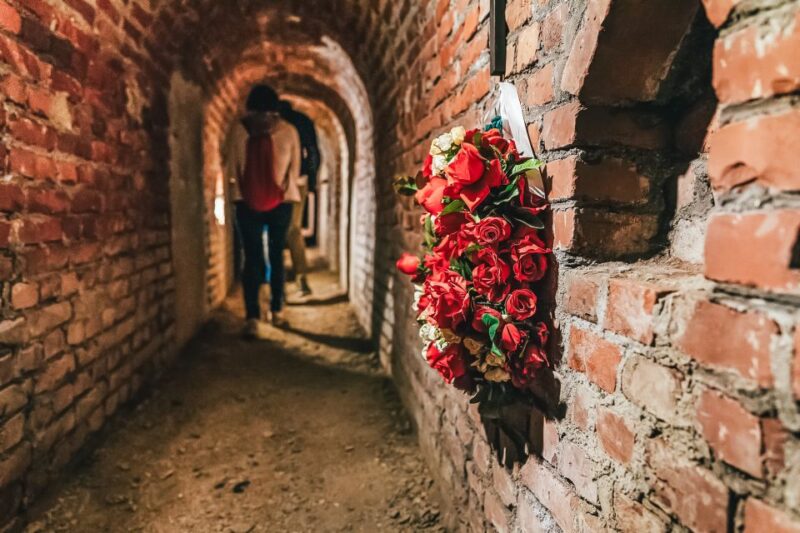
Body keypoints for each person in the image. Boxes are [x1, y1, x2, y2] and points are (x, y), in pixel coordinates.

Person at [224, 85, 301, 337]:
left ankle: (253, 317)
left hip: (246, 201)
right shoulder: (288, 131)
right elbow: (295, 169)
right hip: (281, 201)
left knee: (252, 257)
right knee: (275, 256)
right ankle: (276, 310)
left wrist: (240, 194)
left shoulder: (239, 130)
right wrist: (283, 188)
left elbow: (232, 168)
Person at [277, 100, 320, 298]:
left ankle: (281, 281)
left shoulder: (276, 123)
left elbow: (313, 153)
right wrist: (311, 180)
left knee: (281, 230)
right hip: (299, 181)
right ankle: (300, 279)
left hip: (280, 182)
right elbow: (313, 153)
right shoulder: (303, 120)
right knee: (293, 230)